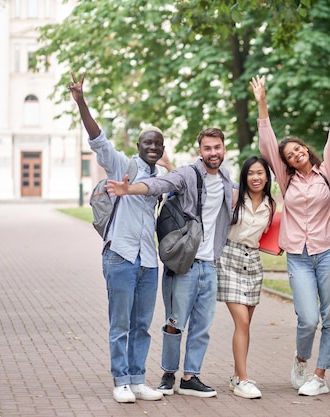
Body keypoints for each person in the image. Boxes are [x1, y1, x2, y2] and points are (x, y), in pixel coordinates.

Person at [104, 127, 234, 398]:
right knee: (174, 323)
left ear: (223, 148)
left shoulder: (224, 178)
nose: (213, 152)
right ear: (200, 150)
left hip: (210, 262)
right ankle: (166, 374)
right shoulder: (187, 172)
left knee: (202, 325)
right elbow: (160, 184)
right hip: (185, 261)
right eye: (207, 148)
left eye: (217, 147)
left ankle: (190, 377)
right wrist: (130, 190)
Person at [68, 72, 165, 403]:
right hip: (120, 255)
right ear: (139, 147)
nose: (152, 147)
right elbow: (98, 139)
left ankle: (138, 379)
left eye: (157, 144)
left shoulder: (162, 177)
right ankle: (120, 380)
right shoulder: (121, 164)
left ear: (162, 149)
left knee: (142, 324)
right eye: (147, 143)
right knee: (120, 323)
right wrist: (81, 101)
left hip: (149, 261)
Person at [250, 69, 330, 396]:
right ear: (286, 163)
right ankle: (302, 358)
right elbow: (267, 141)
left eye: (298, 149)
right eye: (289, 155)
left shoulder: (326, 172)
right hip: (299, 257)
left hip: (328, 251)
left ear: (306, 149)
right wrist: (262, 104)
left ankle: (320, 375)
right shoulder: (286, 179)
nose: (296, 154)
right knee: (307, 318)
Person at [217, 156, 276, 399]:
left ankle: (236, 375)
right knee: (241, 322)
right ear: (244, 176)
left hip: (252, 262)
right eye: (251, 173)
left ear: (266, 176)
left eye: (260, 173)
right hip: (228, 258)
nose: (256, 177)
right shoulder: (233, 197)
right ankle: (243, 379)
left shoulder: (270, 205)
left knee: (245, 325)